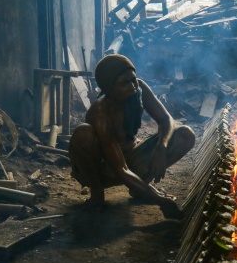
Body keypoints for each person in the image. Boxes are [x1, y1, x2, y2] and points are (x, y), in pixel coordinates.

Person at [69, 54, 195, 218]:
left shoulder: (138, 89)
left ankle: (140, 189)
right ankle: (97, 194)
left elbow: (166, 119)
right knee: (82, 133)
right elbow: (120, 169)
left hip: (131, 158)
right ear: (109, 88)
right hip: (104, 169)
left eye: (133, 79)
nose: (133, 87)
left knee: (185, 135)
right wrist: (160, 201)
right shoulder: (100, 113)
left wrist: (161, 147)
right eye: (124, 83)